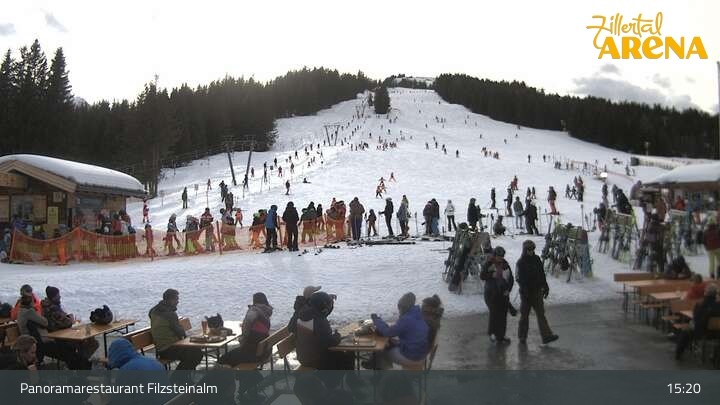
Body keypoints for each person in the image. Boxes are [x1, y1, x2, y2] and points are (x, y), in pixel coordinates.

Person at [290, 292, 354, 370]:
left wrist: (326, 299)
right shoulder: (319, 320)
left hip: (303, 358)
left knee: (341, 355)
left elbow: (290, 328)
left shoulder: (301, 315)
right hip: (317, 360)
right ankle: (347, 377)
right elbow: (329, 342)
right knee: (347, 356)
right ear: (323, 308)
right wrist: (338, 336)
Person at [365, 293, 429, 369]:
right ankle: (374, 364)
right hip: (421, 355)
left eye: (399, 307)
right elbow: (411, 336)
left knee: (381, 349)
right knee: (389, 343)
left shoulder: (406, 319)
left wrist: (376, 320)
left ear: (403, 307)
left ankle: (377, 369)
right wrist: (396, 342)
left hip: (412, 358)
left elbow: (387, 332)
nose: (399, 310)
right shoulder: (418, 314)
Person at [39, 287, 98, 369]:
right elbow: (66, 322)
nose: (60, 297)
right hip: (61, 337)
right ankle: (80, 363)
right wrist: (71, 319)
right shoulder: (53, 308)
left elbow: (61, 319)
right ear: (53, 297)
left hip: (59, 334)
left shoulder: (46, 306)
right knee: (92, 343)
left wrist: (68, 318)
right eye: (58, 295)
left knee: (88, 342)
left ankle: (79, 362)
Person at [516, 240, 559, 345]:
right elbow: (519, 278)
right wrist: (524, 290)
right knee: (524, 316)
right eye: (529, 249)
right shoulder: (521, 262)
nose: (531, 251)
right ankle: (522, 336)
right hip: (526, 294)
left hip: (537, 291)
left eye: (532, 249)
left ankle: (546, 336)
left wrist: (545, 286)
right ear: (525, 250)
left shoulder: (536, 259)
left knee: (541, 314)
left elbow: (541, 274)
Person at [149, 289, 202, 370]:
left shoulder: (153, 310)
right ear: (170, 300)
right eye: (176, 299)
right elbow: (180, 332)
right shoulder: (169, 314)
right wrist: (190, 338)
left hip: (160, 349)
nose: (178, 302)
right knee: (196, 353)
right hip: (168, 349)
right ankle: (178, 376)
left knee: (194, 351)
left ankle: (184, 375)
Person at [219, 293, 273, 366]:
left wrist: (243, 334)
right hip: (265, 352)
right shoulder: (266, 311)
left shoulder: (254, 310)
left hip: (253, 354)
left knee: (222, 360)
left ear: (254, 301)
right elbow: (259, 327)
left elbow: (249, 322)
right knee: (232, 354)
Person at [675, 284, 720, 359]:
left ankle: (678, 353)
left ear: (705, 293)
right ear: (716, 294)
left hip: (701, 333)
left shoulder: (700, 305)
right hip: (717, 333)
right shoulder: (718, 306)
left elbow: (696, 319)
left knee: (685, 331)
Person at [480, 247, 514, 344]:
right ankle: (492, 333)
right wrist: (491, 275)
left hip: (503, 293)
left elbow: (511, 278)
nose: (500, 258)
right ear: (495, 255)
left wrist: (508, 289)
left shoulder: (505, 265)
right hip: (491, 293)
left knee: (503, 315)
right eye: (499, 256)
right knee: (494, 313)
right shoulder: (489, 263)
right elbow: (482, 276)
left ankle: (501, 335)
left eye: (502, 256)